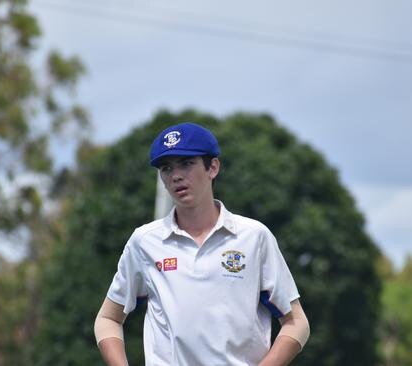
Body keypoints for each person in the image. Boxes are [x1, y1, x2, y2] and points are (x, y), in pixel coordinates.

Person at [94, 122, 310, 365]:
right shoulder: (144, 241)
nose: (175, 176)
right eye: (166, 168)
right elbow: (108, 320)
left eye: (187, 163)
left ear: (213, 167)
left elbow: (296, 323)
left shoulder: (254, 236)